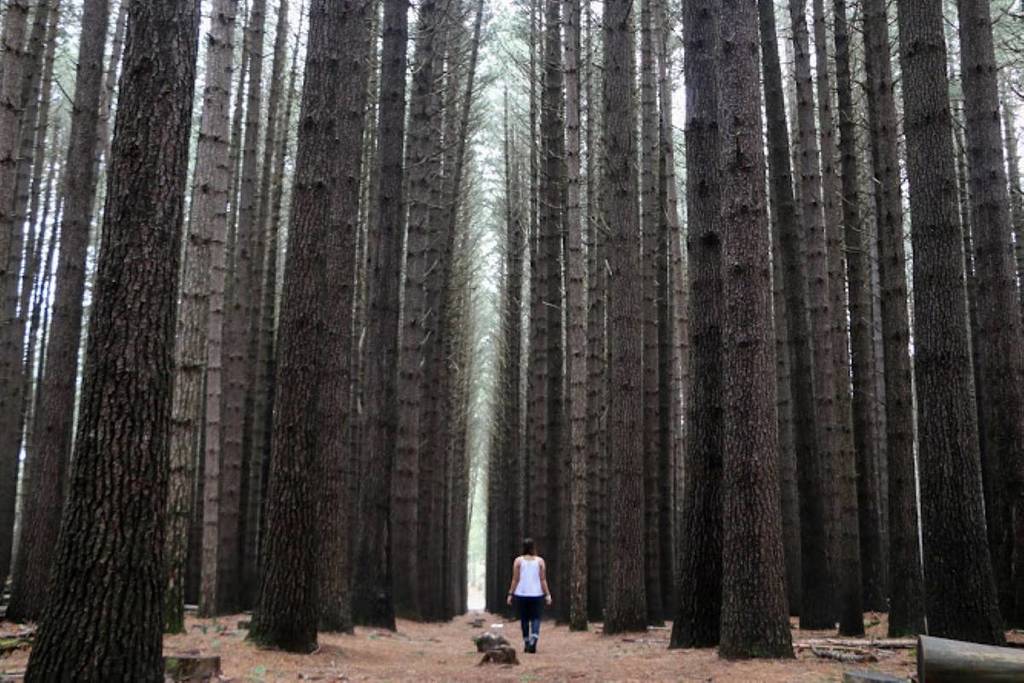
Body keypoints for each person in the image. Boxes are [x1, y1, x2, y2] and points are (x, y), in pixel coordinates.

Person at [506, 538, 552, 653]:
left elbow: (515, 580)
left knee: (524, 619)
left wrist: (510, 593)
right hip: (537, 594)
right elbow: (543, 579)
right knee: (536, 618)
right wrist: (547, 594)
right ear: (533, 547)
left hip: (522, 594)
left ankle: (527, 642)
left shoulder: (518, 561)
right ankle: (534, 640)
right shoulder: (540, 561)